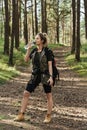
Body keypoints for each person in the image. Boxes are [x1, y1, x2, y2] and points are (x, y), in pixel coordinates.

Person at [14, 33, 55, 123]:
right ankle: (21, 115)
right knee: (26, 93)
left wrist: (51, 77)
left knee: (48, 95)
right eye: (35, 38)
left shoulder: (48, 51)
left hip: (46, 75)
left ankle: (48, 116)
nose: (35, 40)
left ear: (42, 41)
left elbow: (50, 64)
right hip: (35, 75)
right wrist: (28, 49)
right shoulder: (34, 50)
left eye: (37, 39)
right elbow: (26, 60)